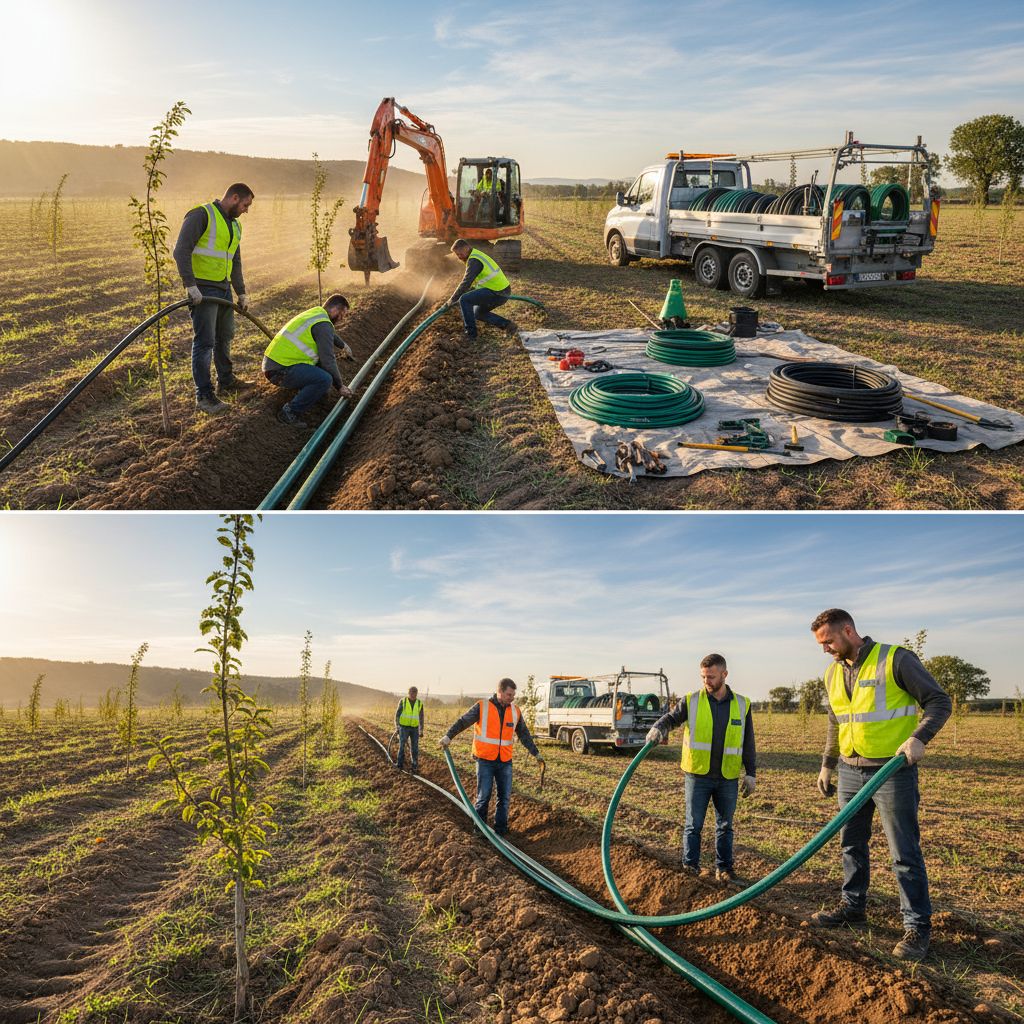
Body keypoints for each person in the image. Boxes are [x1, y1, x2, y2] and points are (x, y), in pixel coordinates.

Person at [809, 608, 951, 962]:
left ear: (848, 631)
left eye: (828, 641)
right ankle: (853, 907)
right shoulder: (831, 672)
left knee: (904, 852)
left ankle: (917, 927)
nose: (824, 649)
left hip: (891, 771)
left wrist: (919, 737)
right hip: (849, 770)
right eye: (820, 644)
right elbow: (836, 722)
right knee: (851, 844)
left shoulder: (895, 659)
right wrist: (827, 764)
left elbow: (939, 701)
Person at [646, 653, 755, 884]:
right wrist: (658, 727)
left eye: (711, 677)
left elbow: (748, 741)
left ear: (724, 674)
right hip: (697, 775)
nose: (706, 681)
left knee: (725, 826)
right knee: (693, 825)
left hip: (727, 776)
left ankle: (724, 870)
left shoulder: (742, 704)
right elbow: (671, 718)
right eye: (703, 677)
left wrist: (751, 773)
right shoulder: (691, 700)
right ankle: (690, 868)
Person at [173, 183, 256, 415]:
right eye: (246, 205)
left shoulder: (235, 225)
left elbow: (235, 261)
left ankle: (226, 381)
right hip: (203, 290)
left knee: (225, 336)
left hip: (223, 287)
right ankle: (204, 395)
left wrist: (241, 292)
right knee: (205, 342)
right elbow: (181, 251)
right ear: (234, 198)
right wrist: (190, 285)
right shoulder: (202, 214)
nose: (246, 210)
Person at [440, 677, 544, 837]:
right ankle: (479, 829)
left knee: (505, 797)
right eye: (509, 694)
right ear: (500, 692)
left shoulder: (515, 711)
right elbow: (463, 722)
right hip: (485, 760)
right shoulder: (482, 707)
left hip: (505, 761)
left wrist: (536, 753)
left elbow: (524, 734)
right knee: (484, 796)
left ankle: (501, 829)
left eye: (513, 695)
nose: (512, 698)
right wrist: (448, 736)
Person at [262, 294, 355, 426]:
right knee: (324, 379)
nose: (342, 319)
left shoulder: (316, 314)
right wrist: (339, 386)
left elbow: (329, 334)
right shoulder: (323, 325)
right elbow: (328, 360)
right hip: (280, 370)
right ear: (335, 310)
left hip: (275, 363)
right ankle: (289, 413)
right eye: (342, 314)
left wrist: (342, 345)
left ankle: (316, 397)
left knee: (322, 372)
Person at [440, 239, 516, 341]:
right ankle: (508, 325)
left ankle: (471, 334)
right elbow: (473, 282)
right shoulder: (475, 255)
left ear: (466, 248)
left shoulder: (474, 260)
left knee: (464, 299)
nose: (459, 257)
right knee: (478, 313)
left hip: (498, 292)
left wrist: (452, 300)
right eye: (457, 255)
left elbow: (466, 282)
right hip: (500, 290)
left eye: (460, 254)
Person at [394, 686, 424, 772]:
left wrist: (421, 730)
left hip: (415, 728)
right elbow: (397, 715)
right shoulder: (403, 701)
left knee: (415, 748)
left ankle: (414, 766)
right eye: (411, 692)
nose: (413, 694)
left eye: (414, 693)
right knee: (402, 746)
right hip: (403, 727)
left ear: (416, 694)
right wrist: (397, 727)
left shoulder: (419, 703)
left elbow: (421, 717)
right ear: (408, 693)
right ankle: (399, 764)